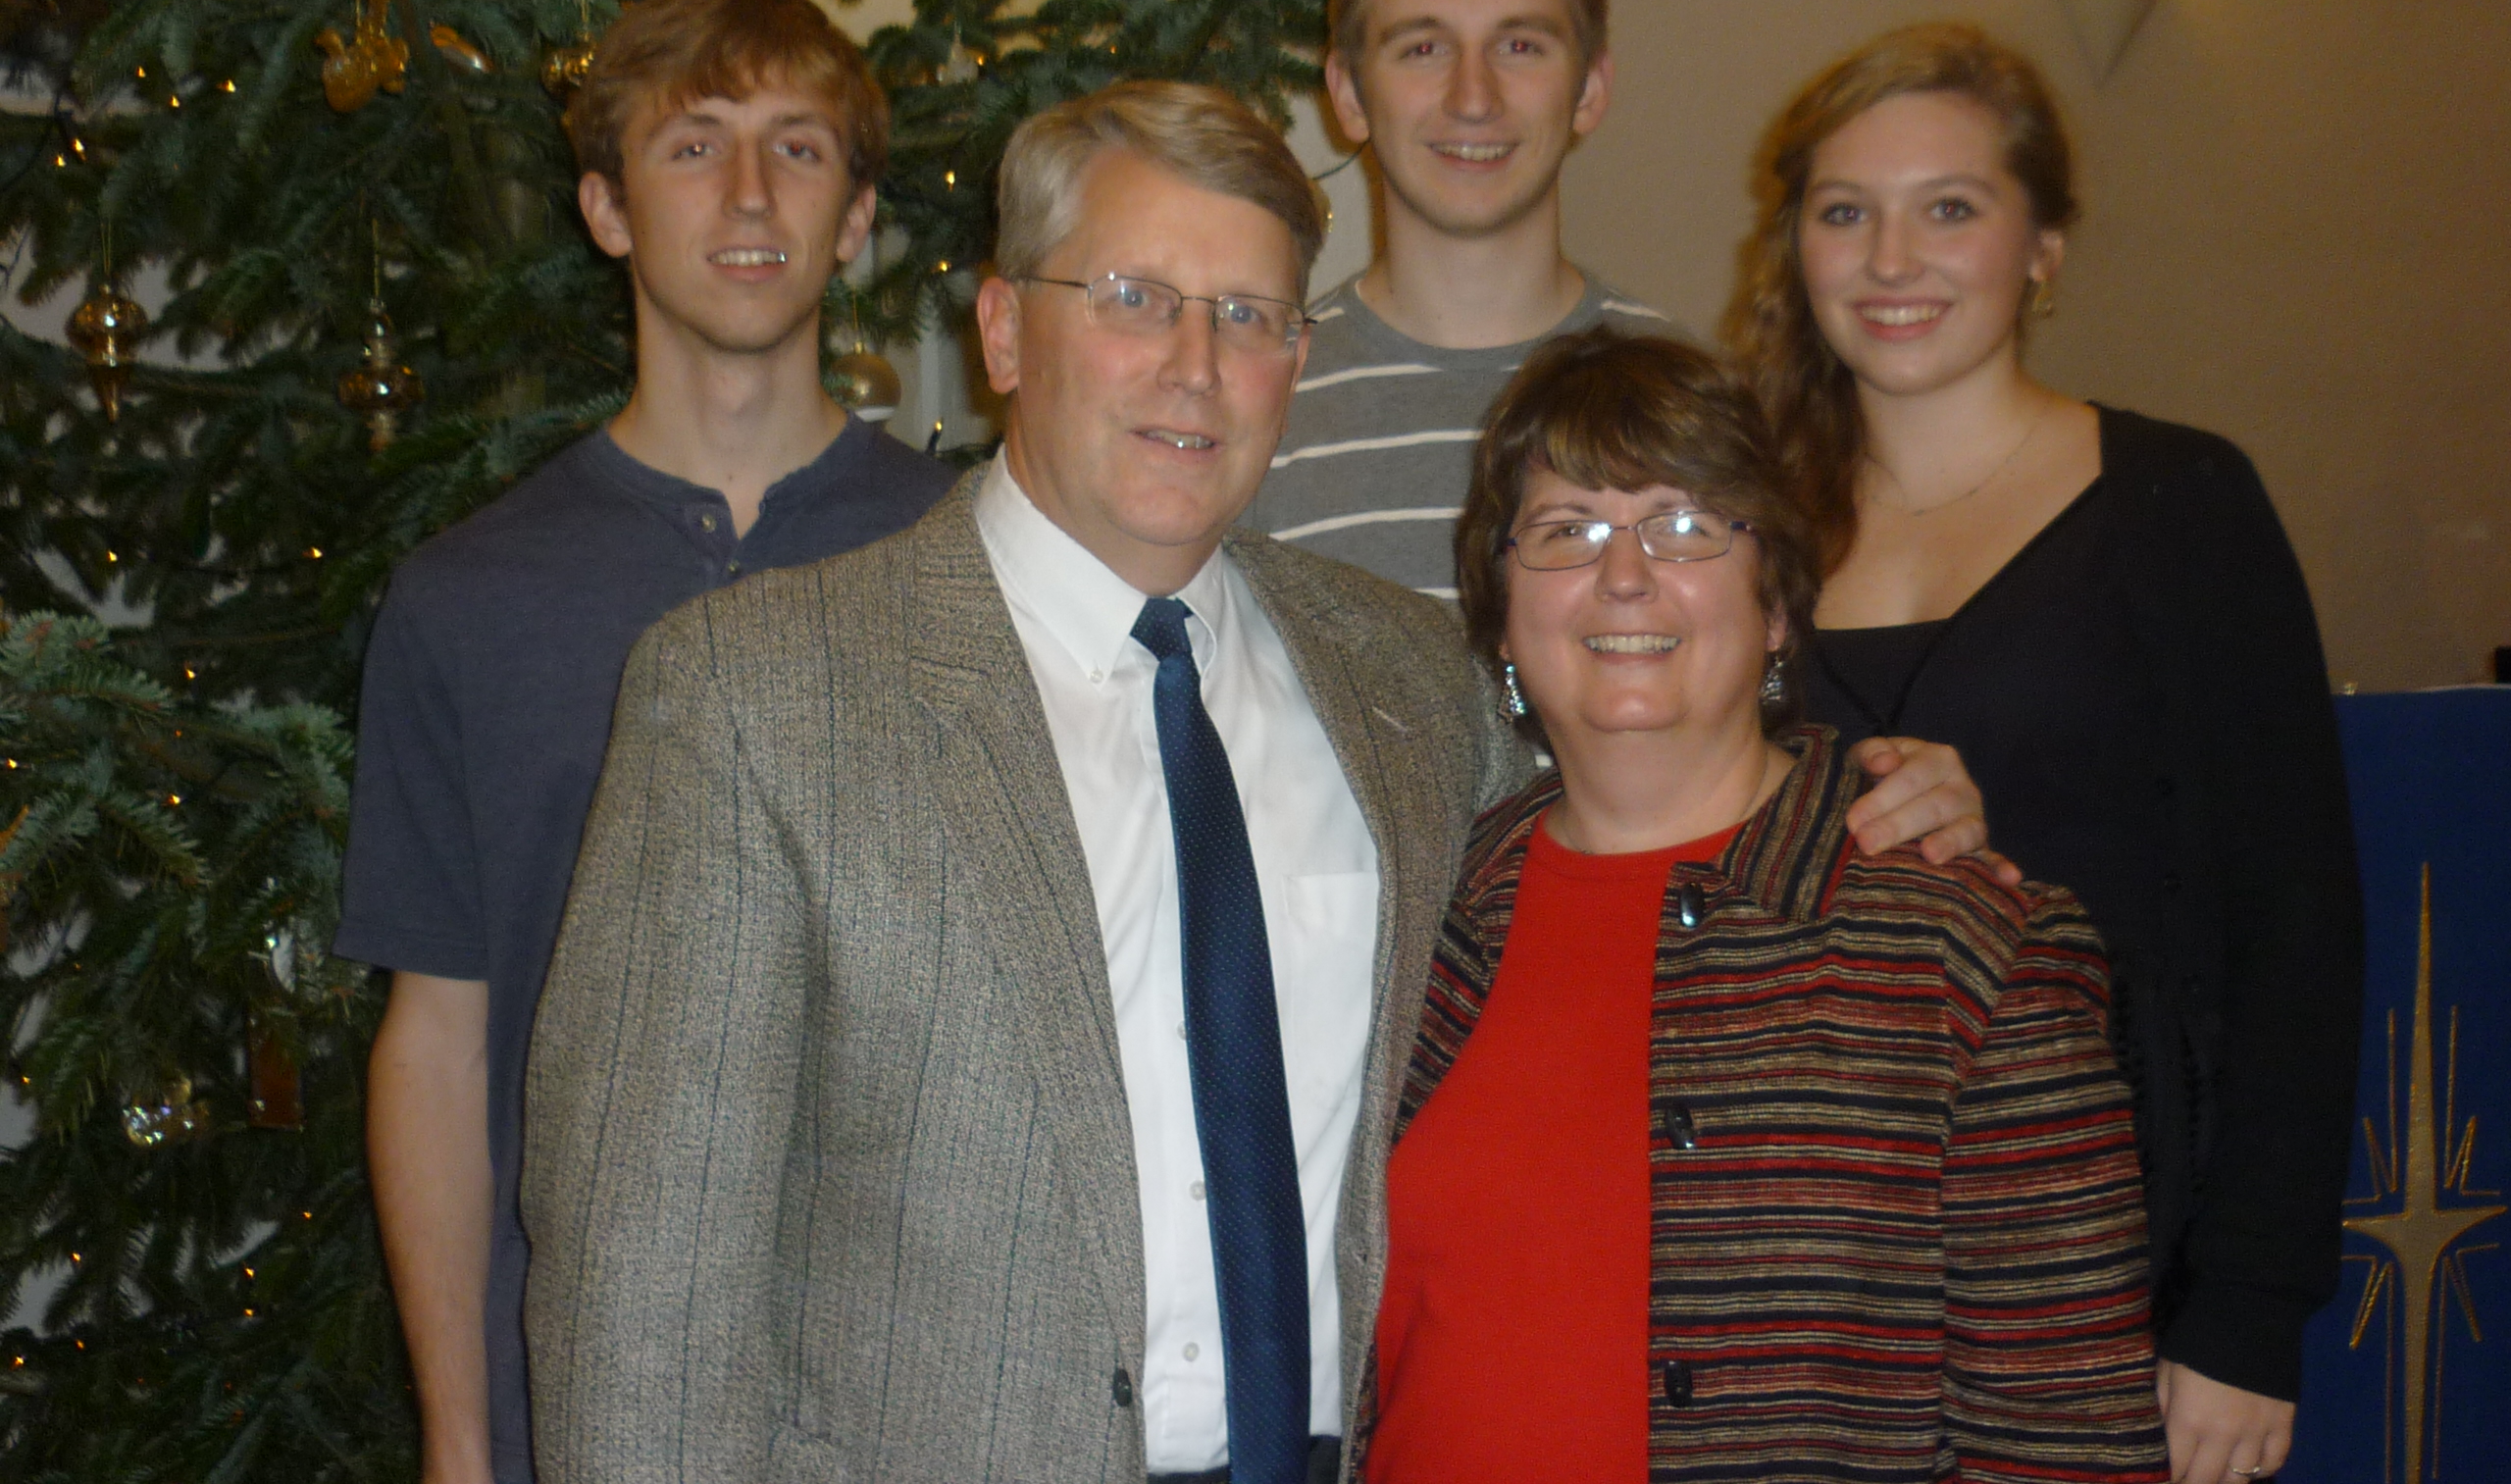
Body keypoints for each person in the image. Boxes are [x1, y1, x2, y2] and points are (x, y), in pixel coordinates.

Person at [519, 81, 1986, 1484]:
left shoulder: (1410, 681)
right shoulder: (759, 700)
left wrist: (1860, 799)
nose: (1195, 366)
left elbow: (1646, 789)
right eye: (1134, 299)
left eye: (1247, 316)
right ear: (1005, 331)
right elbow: (642, 1299)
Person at [334, 0, 954, 1484]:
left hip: (919, 1397)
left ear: (856, 216)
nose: (749, 194)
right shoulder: (469, 601)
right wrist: (462, 1438)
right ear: (607, 210)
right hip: (587, 1401)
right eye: (693, 146)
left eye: (798, 147)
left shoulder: (976, 568)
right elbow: (440, 1044)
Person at [1721, 22, 2362, 1484]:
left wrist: (2248, 1313)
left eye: (1949, 207)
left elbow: (2297, 926)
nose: (1891, 259)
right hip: (1804, 1263)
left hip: (2110, 1254)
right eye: (1845, 212)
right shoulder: (1737, 530)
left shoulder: (2178, 501)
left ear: (2044, 248)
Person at [1363, 327, 2170, 1484]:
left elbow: (2066, 1444)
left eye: (1686, 524)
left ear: (1779, 605)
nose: (1624, 573)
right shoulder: (1424, 908)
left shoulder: (1966, 951)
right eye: (1565, 530)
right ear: (1498, 615)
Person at [1245, 0, 1676, 603]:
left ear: (1589, 88)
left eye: (1519, 46)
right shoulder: (1258, 410)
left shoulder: (1690, 403)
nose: (1473, 98)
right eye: (1423, 49)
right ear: (1348, 94)